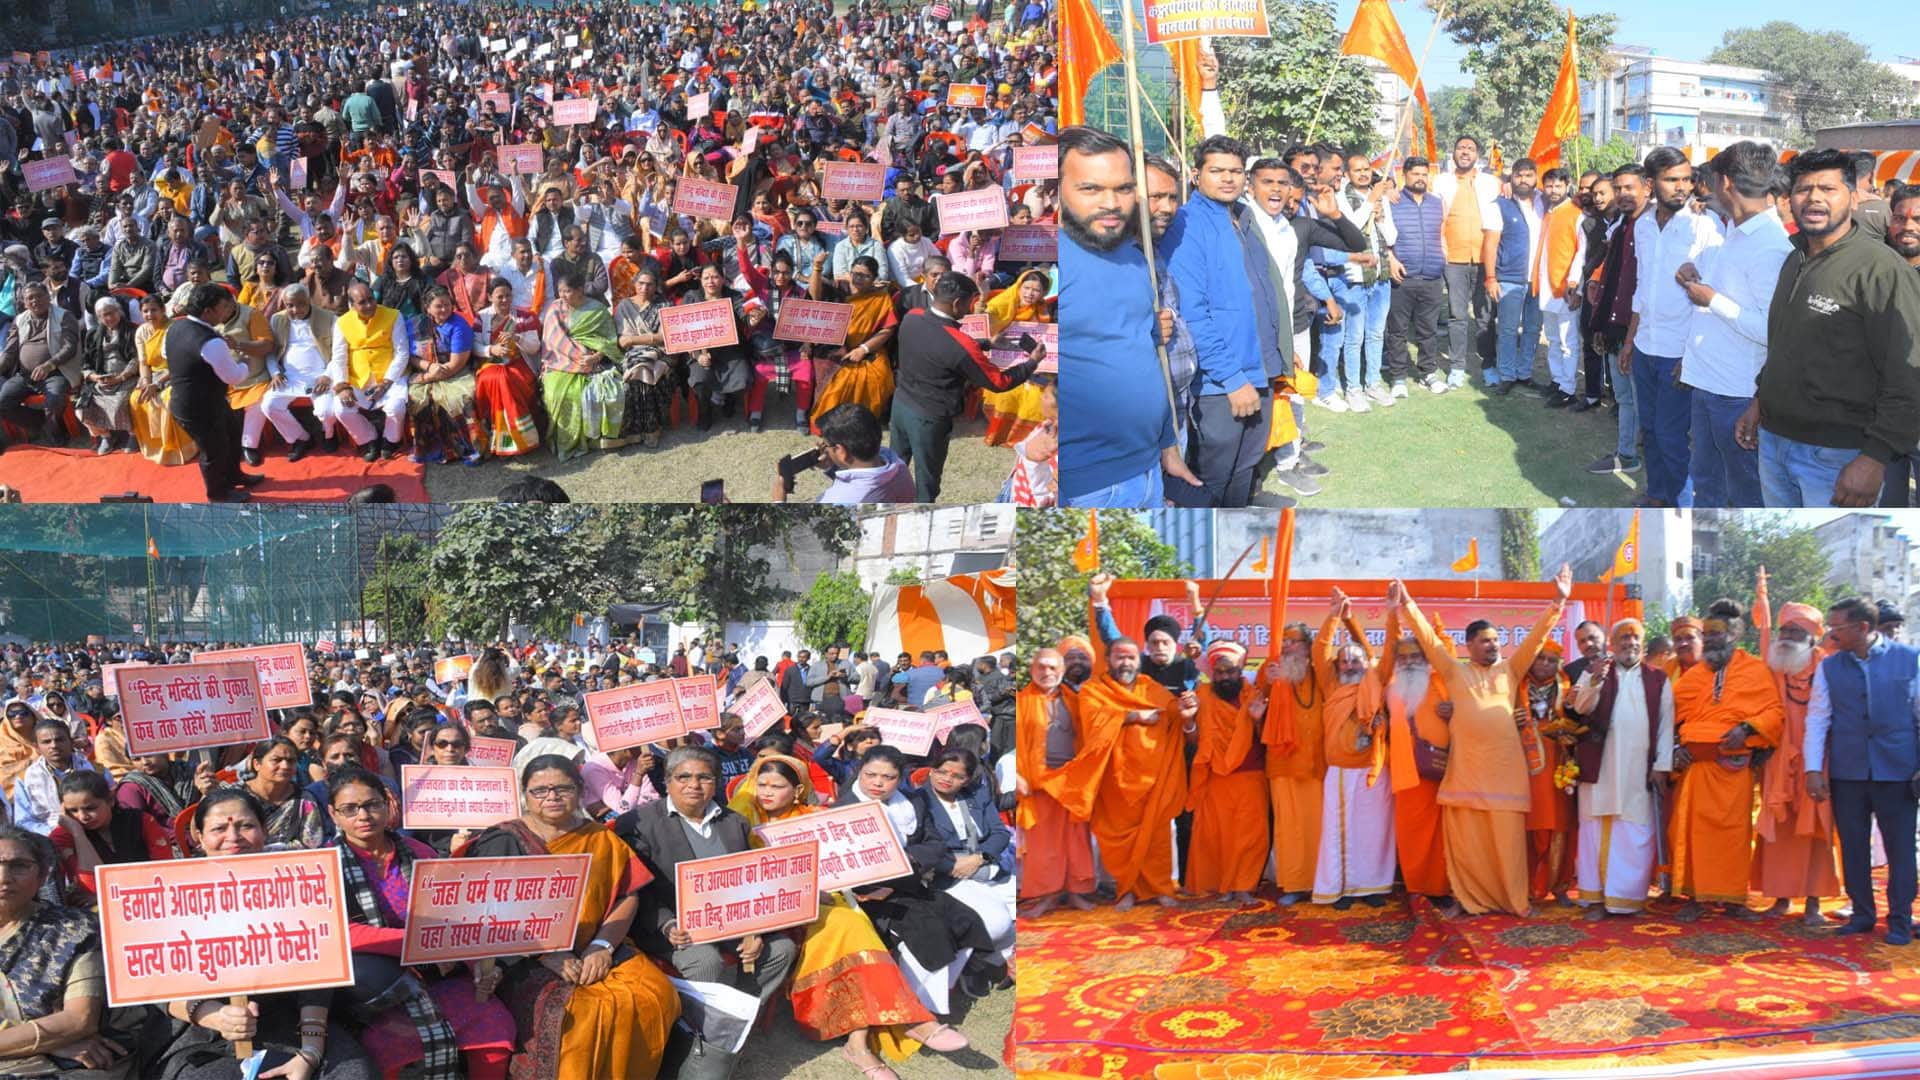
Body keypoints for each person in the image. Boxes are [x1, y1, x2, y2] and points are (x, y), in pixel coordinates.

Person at [735, 756, 970, 1078]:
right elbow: (740, 879)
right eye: (762, 784)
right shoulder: (741, 821)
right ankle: (912, 1020)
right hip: (777, 909)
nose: (766, 792)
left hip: (828, 900)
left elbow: (841, 864)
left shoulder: (818, 818)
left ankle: (859, 1044)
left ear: (798, 789)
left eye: (777, 786)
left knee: (854, 922)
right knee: (849, 924)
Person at [463, 755, 680, 1078]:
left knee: (654, 993)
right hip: (523, 954)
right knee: (582, 1013)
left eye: (562, 788)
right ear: (524, 794)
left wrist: (602, 945)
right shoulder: (505, 839)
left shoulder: (600, 837)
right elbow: (487, 913)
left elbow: (627, 894)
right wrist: (543, 953)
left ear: (579, 790)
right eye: (540, 790)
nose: (551, 797)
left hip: (597, 942)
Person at [150, 788, 375, 1079]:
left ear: (265, 831)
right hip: (203, 1032)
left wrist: (310, 1051)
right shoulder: (166, 893)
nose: (233, 837)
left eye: (246, 826)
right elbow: (150, 985)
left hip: (292, 1019)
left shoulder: (298, 886)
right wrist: (216, 1016)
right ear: (199, 836)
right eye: (219, 828)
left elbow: (319, 975)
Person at [1739, 149, 1920, 508]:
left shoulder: (1880, 270)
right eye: (1804, 189)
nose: (1815, 197)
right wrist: (1761, 399)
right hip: (1774, 443)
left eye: (1828, 188)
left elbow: (1908, 374)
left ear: (1854, 198)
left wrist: (1874, 457)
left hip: (1837, 457)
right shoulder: (1795, 258)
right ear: (1790, 199)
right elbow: (1786, 343)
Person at [1391, 565, 1572, 917]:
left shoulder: (1511, 669)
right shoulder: (1453, 670)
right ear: (1470, 645)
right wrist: (1407, 604)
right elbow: (1427, 637)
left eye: (1496, 640)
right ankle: (1468, 899)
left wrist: (1558, 602)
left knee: (1508, 846)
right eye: (1486, 641)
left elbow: (1536, 638)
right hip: (1467, 773)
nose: (1493, 646)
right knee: (1467, 845)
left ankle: (1515, 901)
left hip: (1505, 774)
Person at [325, 767, 514, 1080]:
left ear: (387, 805)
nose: (364, 815)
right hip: (378, 991)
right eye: (350, 809)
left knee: (494, 1025)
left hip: (440, 975)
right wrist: (419, 944)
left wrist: (478, 966)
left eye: (372, 804)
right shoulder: (326, 864)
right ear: (333, 814)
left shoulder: (419, 853)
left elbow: (454, 917)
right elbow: (339, 933)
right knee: (381, 1047)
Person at [612, 745, 799, 1012]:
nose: (694, 785)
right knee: (705, 961)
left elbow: (748, 882)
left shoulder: (735, 822)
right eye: (683, 777)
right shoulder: (638, 824)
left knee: (782, 949)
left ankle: (740, 1014)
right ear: (667, 782)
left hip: (729, 920)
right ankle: (698, 1028)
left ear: (716, 783)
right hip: (674, 925)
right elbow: (640, 890)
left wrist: (753, 929)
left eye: (704, 777)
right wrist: (668, 925)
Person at [1058, 126, 1188, 507]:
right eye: (1091, 189)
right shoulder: (1053, 265)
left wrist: (1167, 446)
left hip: (1149, 471)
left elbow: (1145, 357)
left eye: (1124, 188)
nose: (1111, 202)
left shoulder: (1135, 258)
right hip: (1084, 488)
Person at [1673, 142, 1792, 508]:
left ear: (1725, 182)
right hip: (1708, 382)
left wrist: (1712, 300)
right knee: (1708, 486)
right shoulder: (1735, 233)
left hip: (1737, 394)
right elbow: (1732, 294)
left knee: (1744, 495)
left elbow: (1773, 330)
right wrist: (1696, 277)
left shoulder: (1771, 245)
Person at [1164, 134, 1279, 508]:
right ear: (1196, 175)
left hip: (1259, 369)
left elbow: (1262, 293)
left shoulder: (1242, 217)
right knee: (1213, 477)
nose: (1228, 178)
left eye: (1235, 171)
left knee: (1244, 469)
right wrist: (1230, 378)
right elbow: (1191, 314)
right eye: (1217, 171)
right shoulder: (1186, 223)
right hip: (1221, 381)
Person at [1804, 597, 1920, 944]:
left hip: (1898, 772)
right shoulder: (1829, 667)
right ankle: (1862, 914)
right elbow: (1818, 718)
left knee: (1901, 850)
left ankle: (1900, 919)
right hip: (1848, 771)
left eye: (1837, 628)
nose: (1831, 634)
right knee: (1853, 847)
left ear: (1863, 628)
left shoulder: (1910, 660)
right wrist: (1813, 769)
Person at [1670, 598, 1782, 923]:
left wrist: (1746, 729)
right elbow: (1671, 715)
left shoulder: (1754, 669)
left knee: (1734, 835)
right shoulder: (1693, 676)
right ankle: (1695, 897)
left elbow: (1773, 712)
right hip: (1699, 768)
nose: (1714, 639)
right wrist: (1678, 745)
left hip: (1735, 768)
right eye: (1709, 634)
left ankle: (1733, 899)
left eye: (1720, 634)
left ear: (1735, 635)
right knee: (1694, 834)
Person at [1623, 146, 1721, 508]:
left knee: (1671, 434)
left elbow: (1712, 296)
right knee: (1649, 430)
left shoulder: (1704, 226)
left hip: (1680, 353)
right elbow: (1642, 287)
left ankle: (1681, 505)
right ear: (1650, 184)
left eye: (1686, 179)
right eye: (1671, 180)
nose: (1682, 187)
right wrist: (1631, 341)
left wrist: (1692, 354)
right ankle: (1657, 494)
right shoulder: (1643, 226)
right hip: (1646, 346)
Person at [889, 271, 1043, 502]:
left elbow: (938, 343)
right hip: (930, 418)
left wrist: (985, 344)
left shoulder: (912, 316)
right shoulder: (961, 345)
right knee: (926, 482)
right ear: (957, 303)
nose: (971, 309)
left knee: (894, 471)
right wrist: (1032, 362)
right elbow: (999, 383)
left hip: (900, 406)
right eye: (970, 303)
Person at [1068, 638, 1197, 911]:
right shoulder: (1093, 690)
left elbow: (1172, 713)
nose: (1125, 662)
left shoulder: (1151, 687)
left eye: (1130, 658)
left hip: (1153, 778)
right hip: (1114, 779)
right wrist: (1133, 716)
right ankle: (1125, 890)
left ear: (1138, 661)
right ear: (1109, 660)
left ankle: (1160, 889)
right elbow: (1093, 723)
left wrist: (1186, 711)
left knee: (1157, 838)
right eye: (1119, 657)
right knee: (1117, 841)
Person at [0, 824, 131, 1077]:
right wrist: (48, 1043)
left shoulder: (73, 929)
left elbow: (79, 1020)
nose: (4, 877)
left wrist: (42, 1045)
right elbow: (62, 1032)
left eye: (19, 866)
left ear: (42, 876)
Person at [1565, 617, 1674, 920]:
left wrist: (1662, 765)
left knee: (1634, 831)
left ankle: (1628, 900)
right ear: (1612, 644)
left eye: (1635, 639)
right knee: (1594, 831)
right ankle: (1596, 900)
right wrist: (1593, 680)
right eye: (1624, 640)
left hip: (1637, 769)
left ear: (1642, 643)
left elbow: (1666, 726)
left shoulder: (1658, 679)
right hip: (1599, 766)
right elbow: (1580, 707)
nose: (1630, 644)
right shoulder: (1597, 671)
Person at [1749, 577, 1840, 924]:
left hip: (1819, 762)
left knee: (1817, 828)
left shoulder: (1827, 666)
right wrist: (1762, 599)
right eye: (1784, 630)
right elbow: (1764, 635)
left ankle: (1814, 903)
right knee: (1780, 828)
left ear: (1812, 637)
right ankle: (1780, 899)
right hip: (1778, 762)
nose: (1786, 637)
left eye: (1795, 632)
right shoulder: (1772, 667)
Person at [1313, 591, 1395, 907]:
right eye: (1344, 660)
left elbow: (1387, 651)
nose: (1349, 664)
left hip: (1373, 770)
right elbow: (1321, 650)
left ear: (1367, 663)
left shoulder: (1376, 679)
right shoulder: (1331, 685)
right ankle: (1340, 889)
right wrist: (1335, 614)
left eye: (1355, 659)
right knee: (1335, 832)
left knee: (1373, 831)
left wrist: (1386, 614)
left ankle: (1372, 888)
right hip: (1339, 772)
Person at [1014, 648, 1096, 917]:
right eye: (1042, 667)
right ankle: (1048, 896)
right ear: (1031, 670)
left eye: (1053, 668)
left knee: (1076, 840)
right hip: (1036, 781)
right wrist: (1016, 775)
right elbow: (1006, 744)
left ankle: (1076, 893)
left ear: (1062, 670)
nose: (1047, 673)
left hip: (1070, 781)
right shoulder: (1020, 701)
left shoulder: (1075, 699)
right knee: (1042, 845)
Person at [1185, 640, 1268, 905]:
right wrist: (1188, 720)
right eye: (1219, 672)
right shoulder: (1202, 696)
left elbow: (1265, 738)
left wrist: (1257, 720)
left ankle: (1244, 886)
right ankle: (1223, 885)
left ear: (1240, 669)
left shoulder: (1253, 696)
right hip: (1215, 776)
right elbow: (1193, 741)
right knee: (1217, 835)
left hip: (1250, 774)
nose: (1224, 677)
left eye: (1229, 671)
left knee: (1251, 835)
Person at [1585, 164, 1647, 476]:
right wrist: (1601, 326)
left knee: (1639, 398)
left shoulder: (1651, 228)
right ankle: (1626, 454)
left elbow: (1644, 290)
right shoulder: (1623, 226)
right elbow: (1613, 280)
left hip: (1639, 332)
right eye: (1618, 188)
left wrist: (1631, 340)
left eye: (1629, 188)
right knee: (1624, 397)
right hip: (1615, 326)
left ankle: (1633, 452)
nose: (1623, 194)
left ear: (1647, 188)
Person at [1431, 135, 1502, 387]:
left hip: (1485, 260)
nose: (1465, 152)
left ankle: (1489, 365)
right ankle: (1457, 367)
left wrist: (1510, 186)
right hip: (1454, 259)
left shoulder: (1491, 182)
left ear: (1477, 155)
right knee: (1457, 315)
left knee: (1485, 316)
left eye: (1470, 148)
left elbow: (1508, 197)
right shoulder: (1440, 182)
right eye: (1461, 148)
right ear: (1453, 154)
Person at [49, 770, 174, 907]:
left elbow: (165, 873)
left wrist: (107, 896)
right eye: (73, 811)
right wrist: (78, 835)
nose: (83, 817)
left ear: (110, 800)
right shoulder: (64, 835)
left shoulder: (141, 822)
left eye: (90, 808)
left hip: (148, 899)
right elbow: (92, 887)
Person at [539, 271, 626, 460]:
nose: (562, 295)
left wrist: (595, 357)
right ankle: (563, 441)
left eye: (567, 291)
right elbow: (553, 341)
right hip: (559, 361)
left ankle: (589, 439)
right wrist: (579, 356)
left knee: (588, 392)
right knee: (555, 393)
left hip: (594, 362)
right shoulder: (554, 309)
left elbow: (609, 340)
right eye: (560, 291)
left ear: (580, 290)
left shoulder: (597, 310)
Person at [1384, 156, 1449, 396]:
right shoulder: (1393, 201)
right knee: (1398, 330)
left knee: (1428, 329)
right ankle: (1399, 376)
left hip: (1432, 275)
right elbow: (1383, 235)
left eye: (1424, 174)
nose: (1420, 178)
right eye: (1415, 174)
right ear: (1405, 175)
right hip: (1403, 276)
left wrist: (1443, 257)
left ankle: (1427, 373)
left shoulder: (1436, 203)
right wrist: (1391, 259)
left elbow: (1443, 233)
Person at [325, 283, 411, 462]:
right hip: (358, 377)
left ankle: (391, 439)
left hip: (390, 375)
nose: (369, 305)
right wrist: (342, 386)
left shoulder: (393, 315)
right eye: (362, 302)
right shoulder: (342, 322)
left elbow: (402, 352)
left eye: (371, 299)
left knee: (396, 407)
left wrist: (386, 382)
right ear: (352, 305)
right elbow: (339, 357)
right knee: (341, 409)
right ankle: (369, 439)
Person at [774, 403, 916, 504]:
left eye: (826, 446)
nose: (824, 449)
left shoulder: (838, 500)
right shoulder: (899, 466)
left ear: (841, 451)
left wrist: (778, 500)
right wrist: (831, 467)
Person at [1486, 157, 1545, 395]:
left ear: (1535, 178)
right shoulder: (1500, 204)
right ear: (1511, 177)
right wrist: (1491, 277)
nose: (1523, 179)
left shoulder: (1544, 202)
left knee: (1532, 329)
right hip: (1510, 278)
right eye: (1519, 175)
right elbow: (1491, 244)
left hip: (1539, 279)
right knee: (1508, 330)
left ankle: (1524, 373)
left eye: (1528, 175)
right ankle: (1507, 374)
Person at [405, 287, 482, 465]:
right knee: (417, 398)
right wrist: (428, 366)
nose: (444, 310)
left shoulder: (458, 325)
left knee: (456, 400)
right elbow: (409, 356)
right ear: (427, 307)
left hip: (454, 373)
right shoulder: (415, 324)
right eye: (438, 306)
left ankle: (465, 449)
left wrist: (427, 378)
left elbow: (456, 364)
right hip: (426, 369)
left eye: (447, 305)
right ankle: (428, 449)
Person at [0, 283, 81, 448]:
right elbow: (10, 352)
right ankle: (44, 423)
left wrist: (49, 365)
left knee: (56, 398)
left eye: (39, 296)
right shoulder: (19, 319)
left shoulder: (64, 315)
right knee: (3, 403)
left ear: (48, 297)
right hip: (24, 375)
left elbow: (70, 347)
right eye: (30, 298)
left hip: (56, 372)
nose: (35, 300)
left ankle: (57, 432)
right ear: (24, 302)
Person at [471, 277, 543, 458]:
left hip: (520, 363)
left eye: (508, 296)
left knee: (506, 379)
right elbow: (474, 346)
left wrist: (517, 338)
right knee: (500, 378)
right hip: (490, 364)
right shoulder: (482, 318)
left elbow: (535, 347)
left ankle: (515, 441)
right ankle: (517, 440)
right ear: (490, 297)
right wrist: (491, 349)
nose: (505, 300)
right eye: (499, 296)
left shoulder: (524, 317)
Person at [1535, 167, 1588, 408]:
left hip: (1566, 289)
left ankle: (1568, 388)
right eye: (1549, 186)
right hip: (1547, 287)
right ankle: (1557, 381)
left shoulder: (1576, 214)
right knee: (1554, 339)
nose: (1553, 190)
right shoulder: (1548, 212)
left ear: (1567, 185)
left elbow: (1582, 253)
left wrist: (1575, 286)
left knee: (1568, 342)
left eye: (1558, 185)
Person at [609, 268, 675, 450]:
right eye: (641, 283)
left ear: (656, 286)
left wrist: (635, 339)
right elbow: (622, 340)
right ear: (634, 284)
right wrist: (644, 339)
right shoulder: (624, 306)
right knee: (638, 371)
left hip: (660, 353)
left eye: (649, 284)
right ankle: (639, 430)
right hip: (632, 355)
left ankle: (651, 429)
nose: (644, 288)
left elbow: (666, 337)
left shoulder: (665, 305)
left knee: (644, 369)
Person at [11, 720, 100, 837]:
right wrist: (54, 832)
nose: (54, 746)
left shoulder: (97, 771)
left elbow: (109, 805)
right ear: (36, 747)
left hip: (95, 831)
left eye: (59, 740)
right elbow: (23, 821)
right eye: (46, 742)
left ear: (71, 742)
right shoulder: (25, 779)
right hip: (50, 839)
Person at [75, 296, 140, 455]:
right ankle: (106, 436)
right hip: (103, 380)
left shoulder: (132, 330)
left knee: (119, 405)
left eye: (112, 313)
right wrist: (94, 377)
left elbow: (138, 358)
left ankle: (134, 435)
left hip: (128, 377)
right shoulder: (93, 335)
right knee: (81, 409)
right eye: (104, 315)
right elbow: (86, 363)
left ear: (119, 311)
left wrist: (121, 377)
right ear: (98, 318)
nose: (109, 318)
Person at [241, 736, 325, 850]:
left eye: (291, 761)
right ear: (257, 764)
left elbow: (312, 843)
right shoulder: (235, 796)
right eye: (276, 760)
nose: (285, 766)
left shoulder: (304, 800)